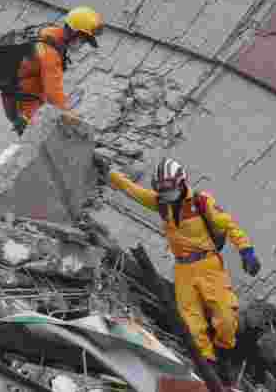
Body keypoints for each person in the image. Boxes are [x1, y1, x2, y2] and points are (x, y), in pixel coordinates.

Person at [109, 157, 262, 386]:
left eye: (168, 189)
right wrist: (112, 174)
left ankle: (224, 356)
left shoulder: (201, 202)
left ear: (181, 184)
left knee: (226, 318)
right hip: (183, 270)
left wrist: (246, 251)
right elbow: (133, 190)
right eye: (161, 189)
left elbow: (229, 225)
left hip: (208, 265)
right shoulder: (161, 203)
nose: (164, 193)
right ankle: (208, 367)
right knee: (192, 324)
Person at [0, 6, 103, 134]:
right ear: (73, 33)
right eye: (83, 39)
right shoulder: (50, 54)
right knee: (32, 142)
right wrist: (71, 116)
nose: (82, 44)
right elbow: (53, 93)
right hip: (24, 104)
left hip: (17, 94)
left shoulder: (50, 32)